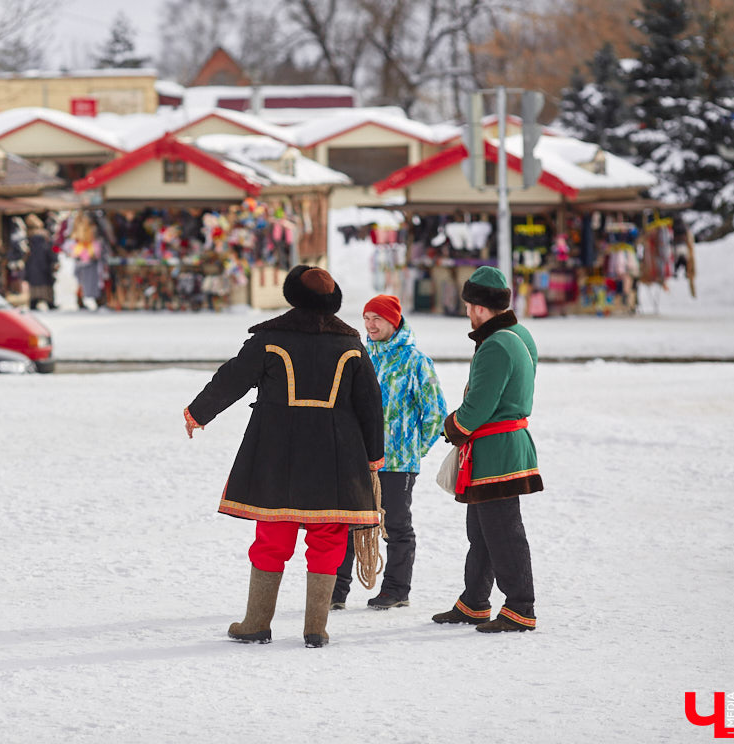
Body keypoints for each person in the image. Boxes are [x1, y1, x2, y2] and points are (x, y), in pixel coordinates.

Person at [184, 265, 386, 648]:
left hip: (277, 453)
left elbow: (233, 378)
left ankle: (256, 624)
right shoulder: (351, 345)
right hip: (337, 458)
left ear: (292, 294)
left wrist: (199, 411)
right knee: (328, 538)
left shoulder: (270, 338)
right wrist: (374, 455)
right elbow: (370, 404)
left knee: (273, 535)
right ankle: (316, 629)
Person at [432, 266, 544, 633]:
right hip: (502, 446)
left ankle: (520, 607)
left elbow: (479, 405)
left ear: (480, 306)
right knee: (481, 531)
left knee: (503, 532)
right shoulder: (519, 334)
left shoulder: (496, 343)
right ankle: (475, 601)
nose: (467, 311)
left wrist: (453, 427)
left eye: (468, 305)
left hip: (496, 451)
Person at [332, 294, 447, 611]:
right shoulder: (360, 357)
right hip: (360, 459)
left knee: (395, 525)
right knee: (348, 523)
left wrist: (413, 448)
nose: (370, 324)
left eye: (377, 318)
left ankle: (396, 589)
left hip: (398, 463)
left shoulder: (415, 361)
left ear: (393, 322)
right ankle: (336, 591)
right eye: (366, 318)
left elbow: (436, 413)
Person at [23, 214, 57, 310]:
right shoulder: (45, 237)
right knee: (45, 286)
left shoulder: (28, 237)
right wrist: (54, 260)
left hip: (33, 266)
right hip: (44, 266)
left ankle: (34, 303)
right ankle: (49, 303)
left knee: (34, 287)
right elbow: (52, 250)